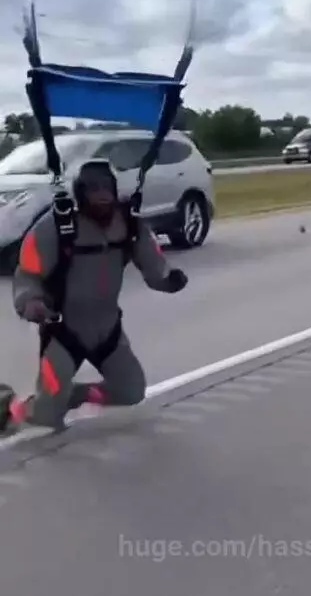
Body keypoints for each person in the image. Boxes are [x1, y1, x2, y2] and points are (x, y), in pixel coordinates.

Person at [0, 158, 188, 435]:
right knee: (46, 415)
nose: (102, 195)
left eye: (106, 187)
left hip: (107, 329)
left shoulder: (129, 225)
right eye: (93, 188)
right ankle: (9, 407)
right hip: (63, 330)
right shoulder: (57, 226)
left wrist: (168, 279)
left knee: (130, 391)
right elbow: (28, 272)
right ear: (80, 193)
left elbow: (153, 263)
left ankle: (72, 395)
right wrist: (31, 302)